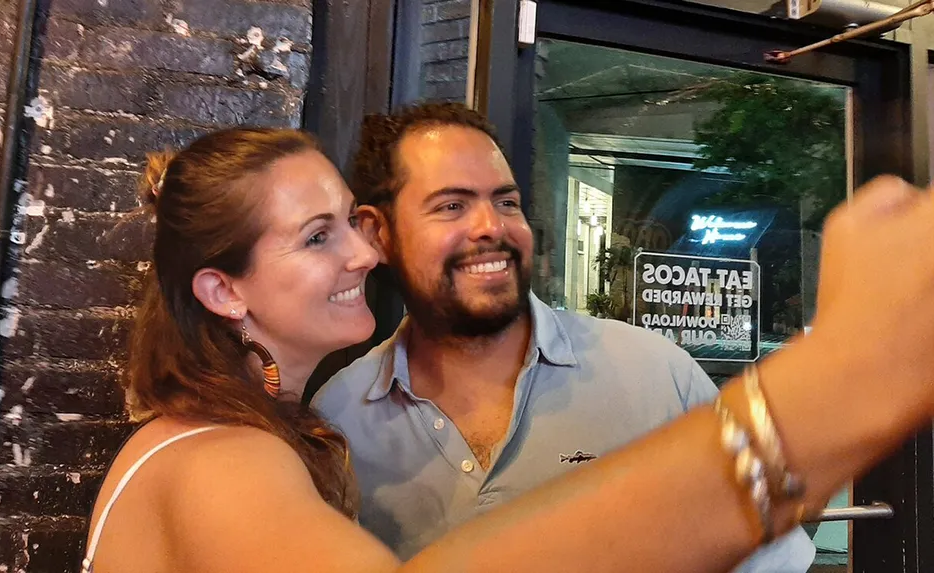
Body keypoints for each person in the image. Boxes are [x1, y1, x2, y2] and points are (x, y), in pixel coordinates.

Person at [83, 125, 934, 573]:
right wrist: (838, 384)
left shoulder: (270, 432)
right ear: (223, 290)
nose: (361, 254)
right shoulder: (219, 455)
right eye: (317, 236)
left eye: (349, 221)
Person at [311, 103, 814, 569]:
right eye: (451, 207)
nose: (492, 226)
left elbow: (772, 558)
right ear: (378, 234)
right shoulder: (339, 420)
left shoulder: (655, 373)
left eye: (506, 202)